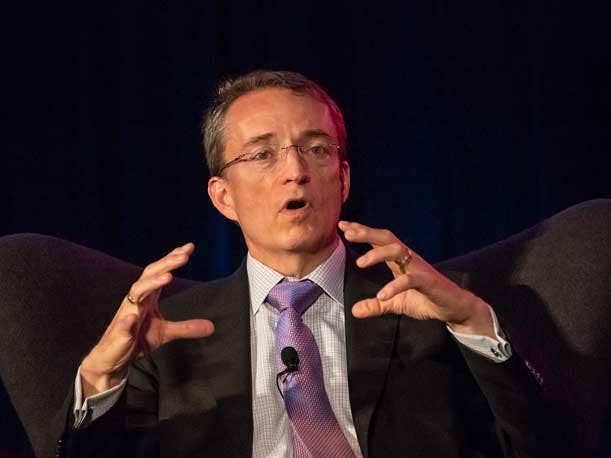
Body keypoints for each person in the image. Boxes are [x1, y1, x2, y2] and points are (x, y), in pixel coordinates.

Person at [56, 70, 548, 457]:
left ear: (343, 179)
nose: (295, 171)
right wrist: (102, 377)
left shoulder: (431, 306)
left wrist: (473, 322)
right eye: (262, 155)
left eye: (316, 149)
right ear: (224, 197)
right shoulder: (169, 334)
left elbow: (540, 446)